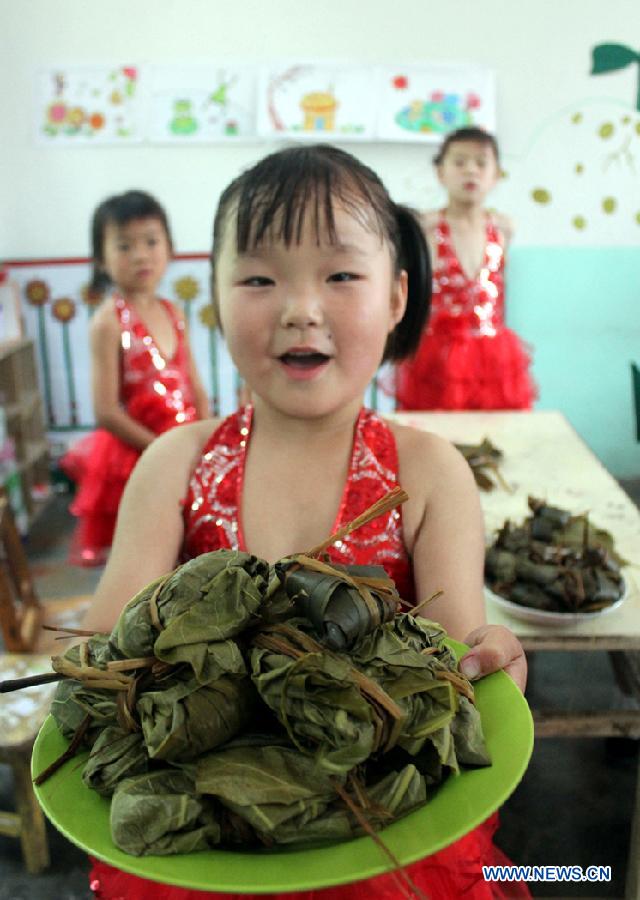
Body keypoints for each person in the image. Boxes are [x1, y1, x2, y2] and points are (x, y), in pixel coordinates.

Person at [81, 146, 529, 900]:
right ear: (216, 300)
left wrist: (492, 657)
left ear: (395, 298)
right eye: (258, 278)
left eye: (341, 275)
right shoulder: (175, 464)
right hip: (201, 843)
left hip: (380, 840)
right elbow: (106, 651)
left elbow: (452, 666)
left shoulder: (428, 473)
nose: (300, 308)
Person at [61, 190, 209, 566]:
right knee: (145, 555)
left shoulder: (174, 311)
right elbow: (106, 410)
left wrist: (206, 436)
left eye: (151, 242)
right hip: (136, 456)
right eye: (124, 246)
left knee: (189, 543)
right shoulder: (108, 322)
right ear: (101, 258)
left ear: (170, 248)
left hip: (185, 447)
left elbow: (194, 384)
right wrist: (159, 449)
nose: (141, 254)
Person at [395, 127, 536, 411]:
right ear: (440, 172)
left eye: (481, 163)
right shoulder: (427, 228)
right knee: (438, 437)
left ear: (496, 175)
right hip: (438, 357)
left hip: (495, 357)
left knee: (497, 434)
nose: (471, 171)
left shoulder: (504, 228)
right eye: (459, 162)